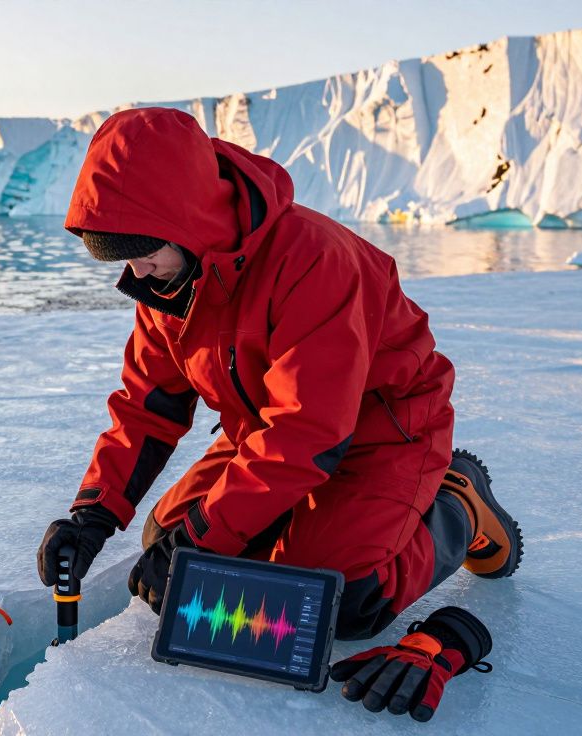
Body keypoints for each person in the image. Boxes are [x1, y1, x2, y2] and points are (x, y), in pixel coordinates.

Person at [37, 107, 523, 722]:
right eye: (121, 258)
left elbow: (308, 432)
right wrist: (93, 514)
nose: (136, 272)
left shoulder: (314, 260)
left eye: (143, 251)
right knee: (169, 547)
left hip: (383, 430)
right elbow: (146, 409)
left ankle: (458, 501)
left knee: (340, 602)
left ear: (188, 220)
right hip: (266, 433)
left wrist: (206, 535)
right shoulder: (166, 288)